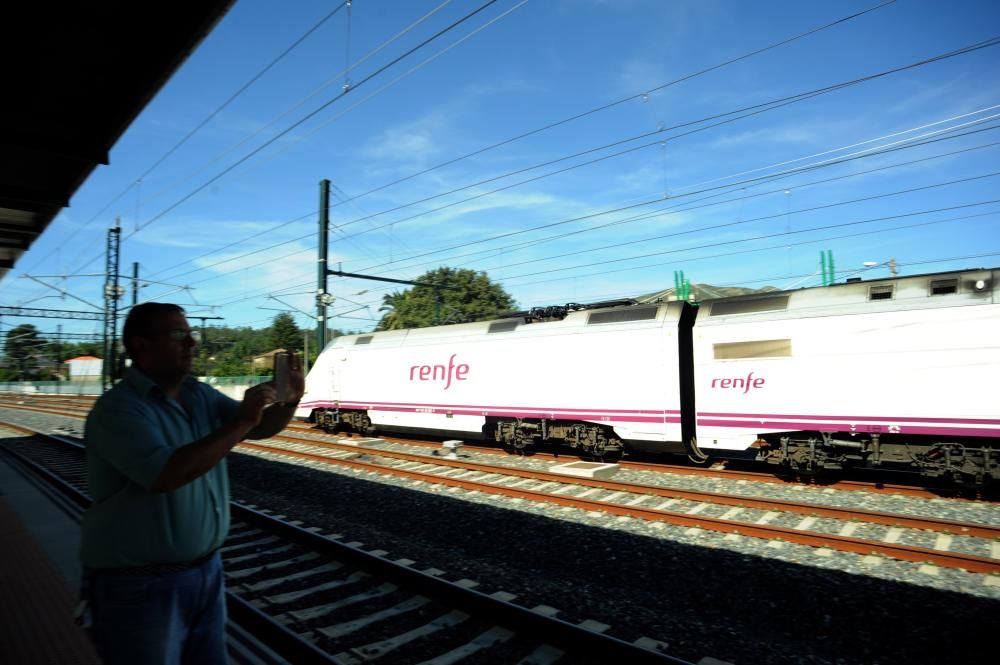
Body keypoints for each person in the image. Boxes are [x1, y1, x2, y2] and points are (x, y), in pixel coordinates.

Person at [78, 302, 303, 665]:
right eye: (179, 334)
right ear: (142, 346)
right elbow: (165, 474)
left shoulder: (198, 394)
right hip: (138, 587)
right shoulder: (118, 410)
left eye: (191, 334)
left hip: (206, 573)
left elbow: (258, 427)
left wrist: (290, 401)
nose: (192, 343)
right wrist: (241, 422)